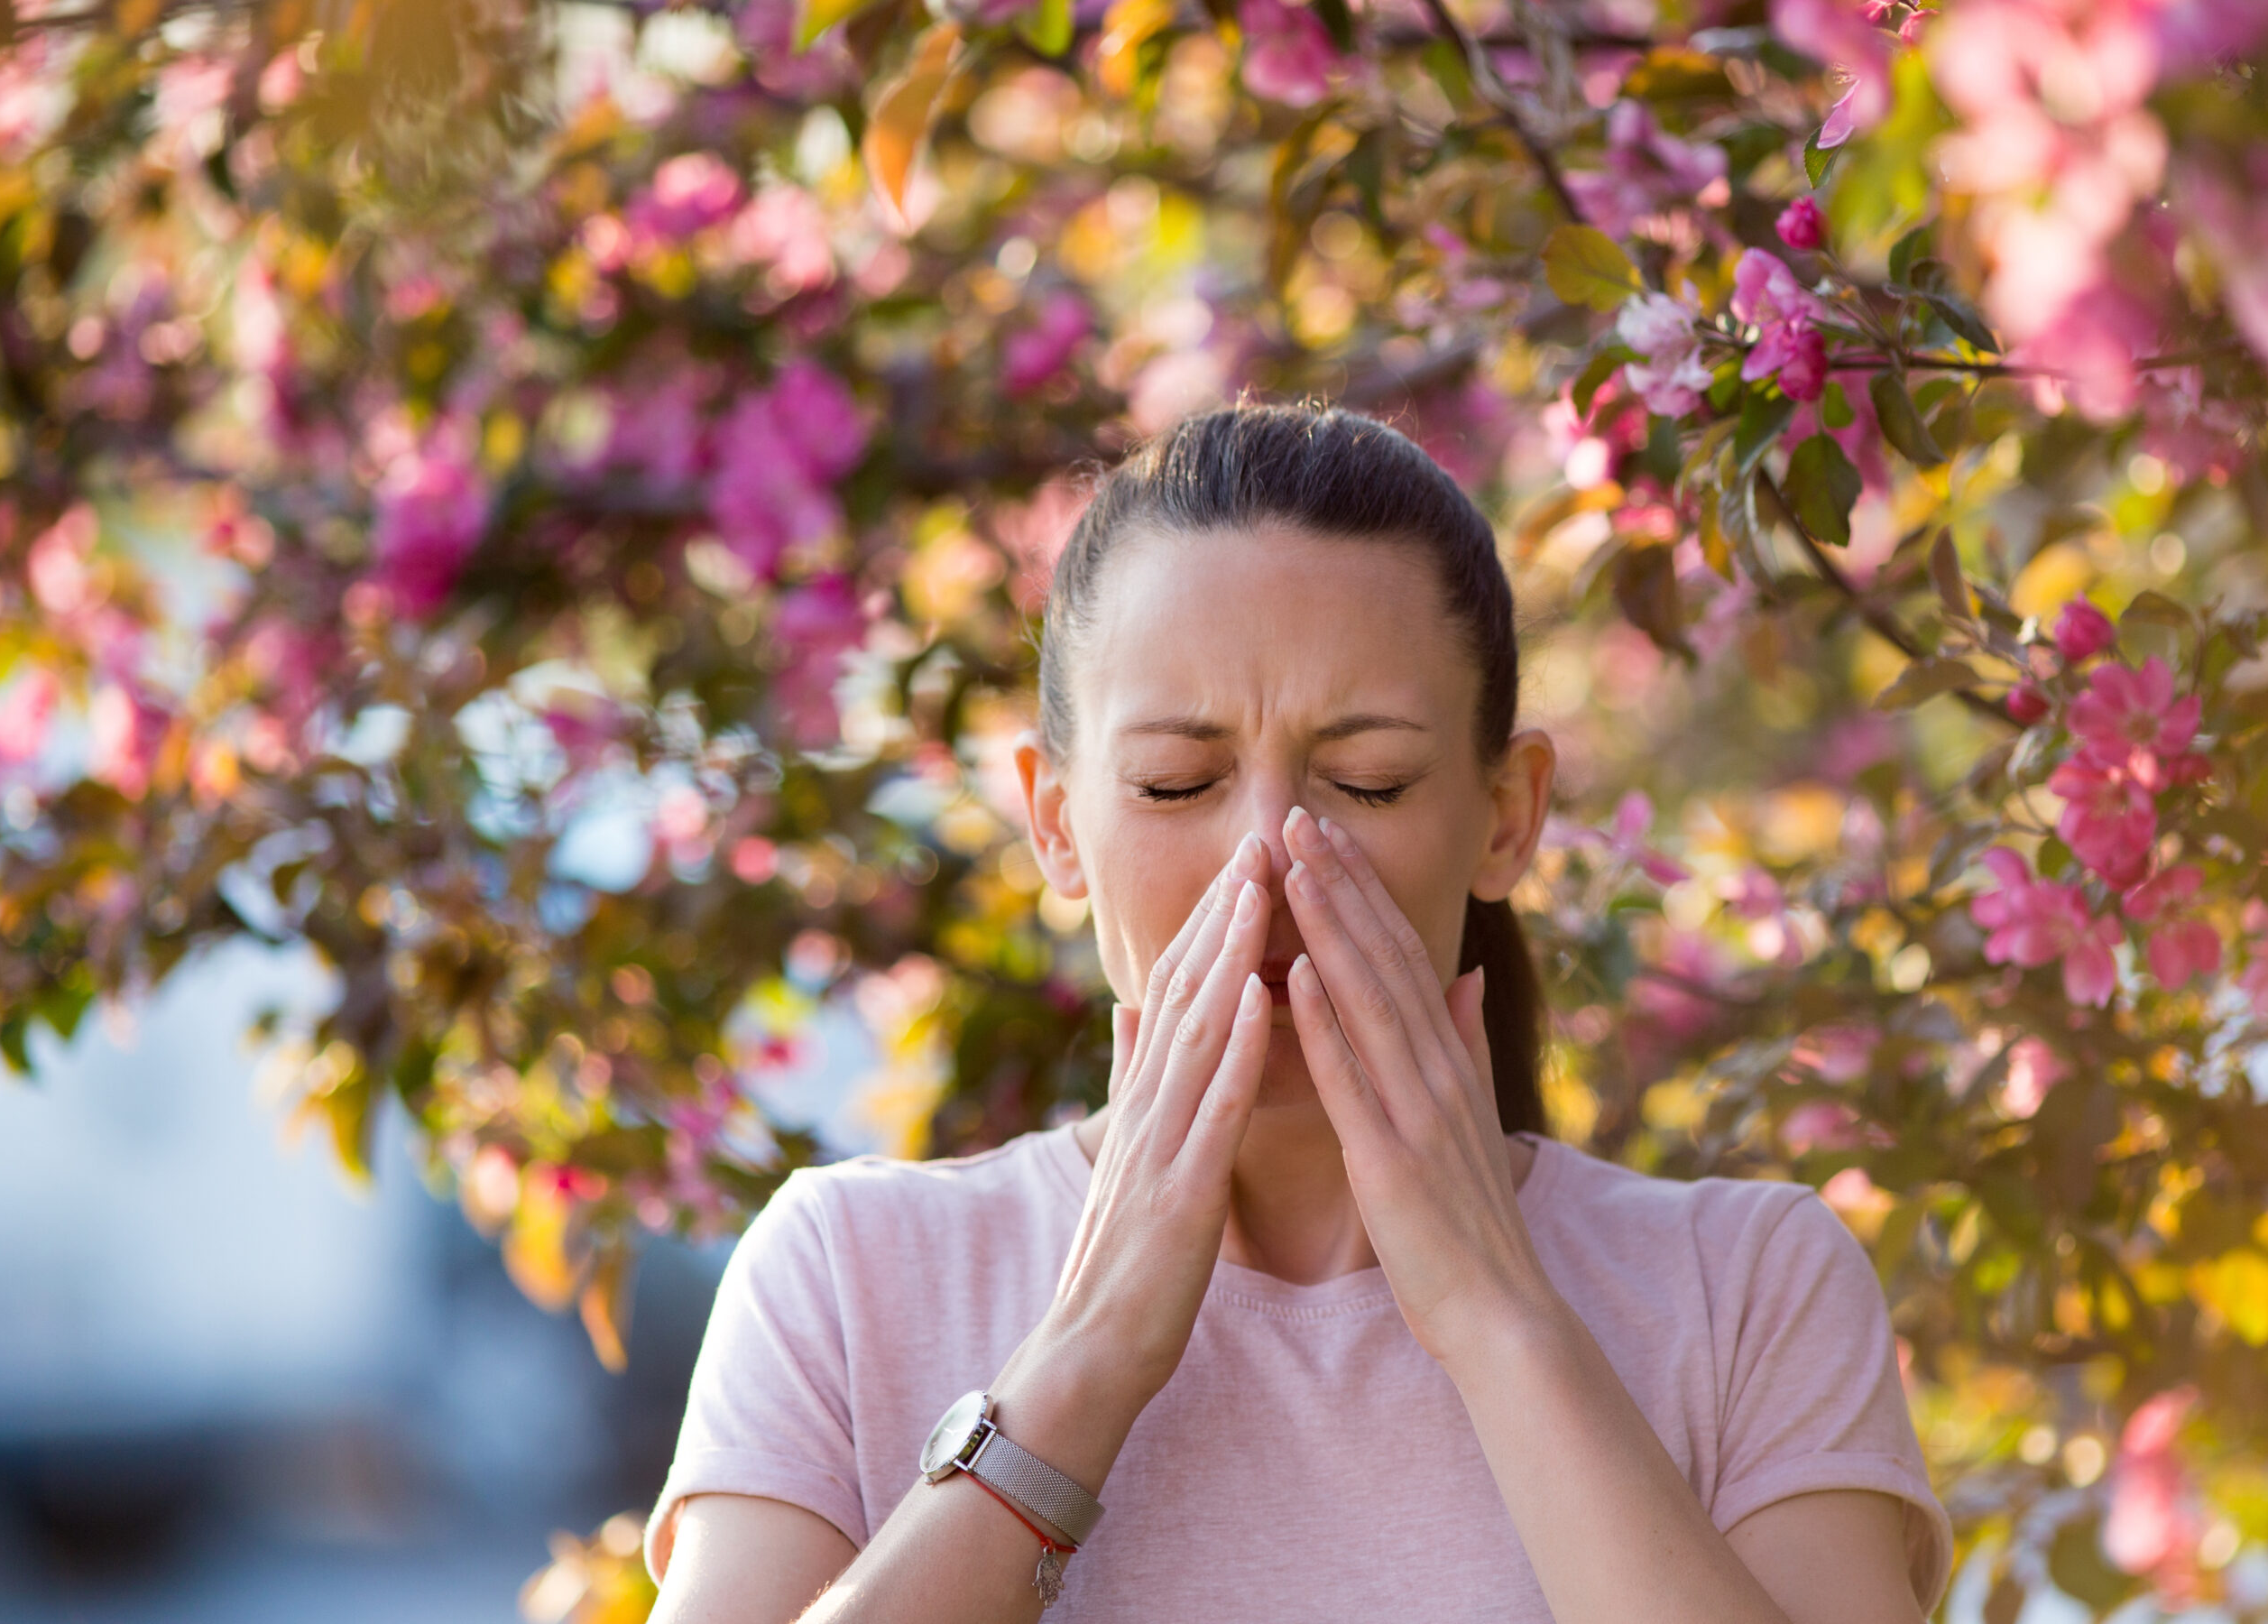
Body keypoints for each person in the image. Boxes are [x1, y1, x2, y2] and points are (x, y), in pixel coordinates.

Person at [642, 405, 1950, 1623]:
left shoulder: (1747, 1290)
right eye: (1175, 783)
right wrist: (1081, 1366)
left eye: (1368, 783)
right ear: (1055, 822)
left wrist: (1497, 1317)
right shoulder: (849, 1275)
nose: (1267, 853)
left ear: (1506, 816)